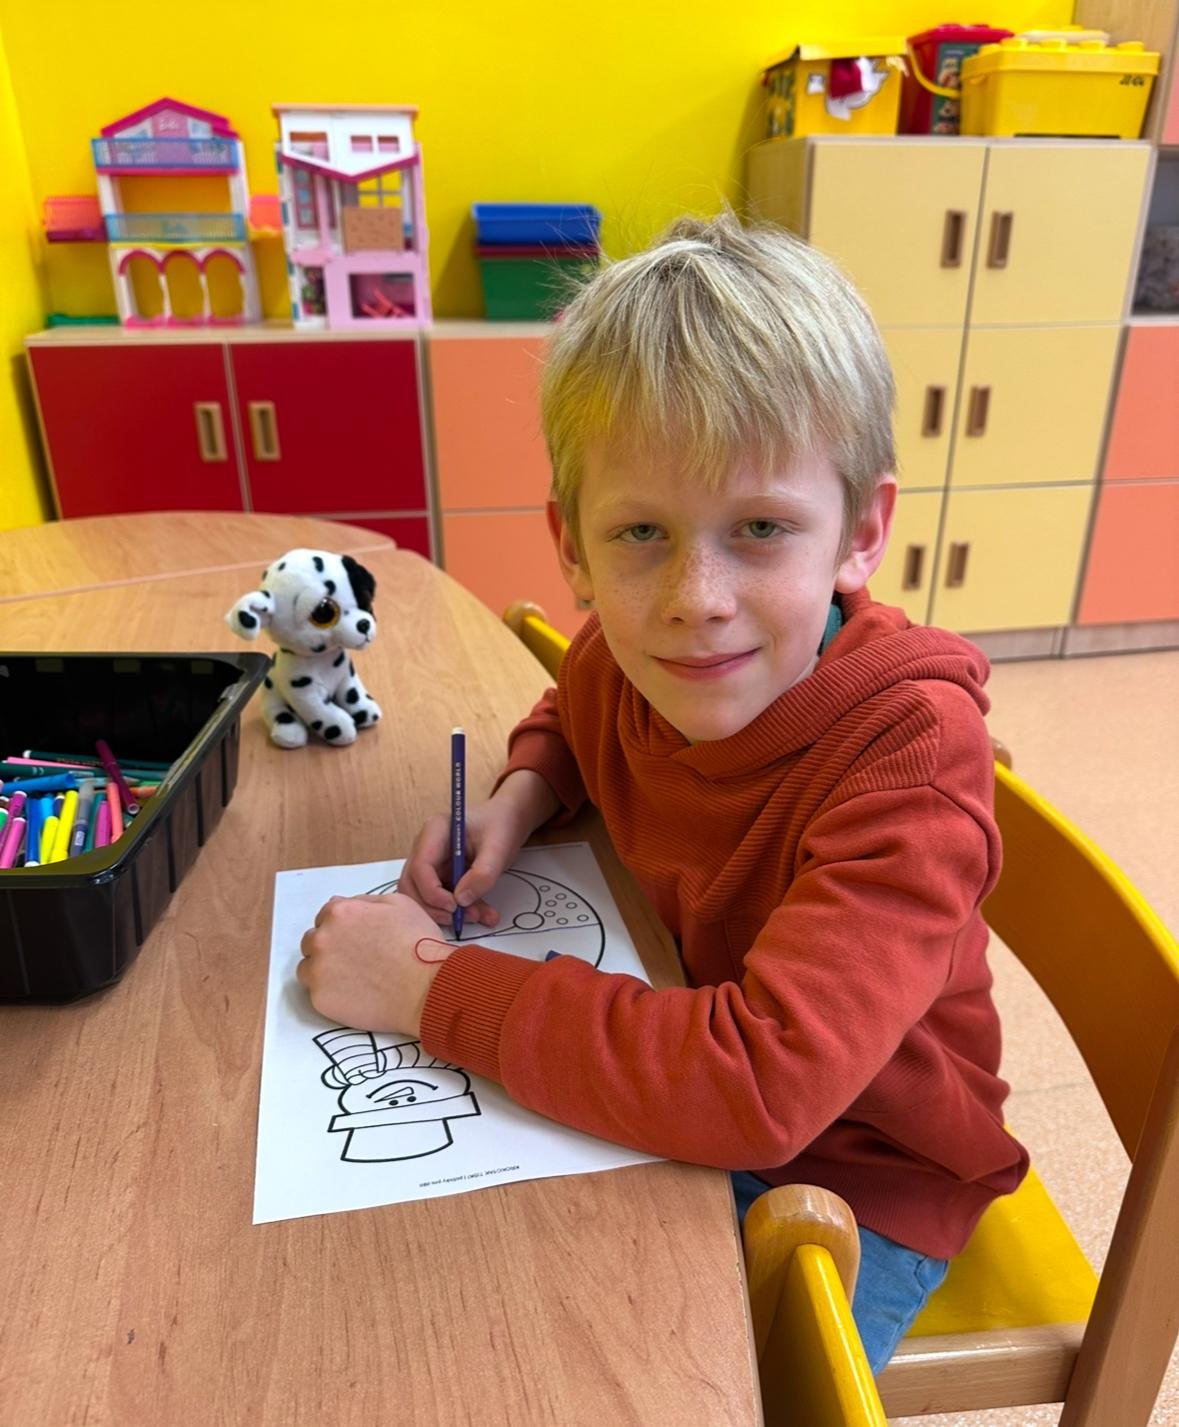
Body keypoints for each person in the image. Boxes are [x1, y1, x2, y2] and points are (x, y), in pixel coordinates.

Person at [297, 211, 1029, 1373]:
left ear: (861, 532)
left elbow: (762, 1082)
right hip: (679, 1064)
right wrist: (521, 795)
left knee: (642, 1376)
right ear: (574, 550)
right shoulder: (631, 652)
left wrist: (427, 985)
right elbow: (578, 707)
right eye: (641, 531)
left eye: (761, 528)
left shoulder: (910, 757)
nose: (696, 596)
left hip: (859, 1169)